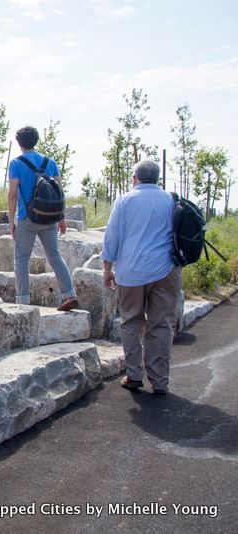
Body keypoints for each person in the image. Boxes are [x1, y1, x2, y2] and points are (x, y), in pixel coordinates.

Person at [101, 160, 180, 395]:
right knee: (161, 324)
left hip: (132, 272)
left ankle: (134, 375)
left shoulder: (125, 200)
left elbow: (112, 238)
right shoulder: (171, 200)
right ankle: (160, 381)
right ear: (158, 180)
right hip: (166, 270)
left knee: (131, 321)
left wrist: (107, 269)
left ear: (134, 178)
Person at [8, 125, 79, 312]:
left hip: (28, 218)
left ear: (19, 143)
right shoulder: (50, 162)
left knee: (22, 258)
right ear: (36, 141)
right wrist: (61, 218)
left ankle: (23, 303)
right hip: (50, 218)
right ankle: (69, 294)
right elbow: (60, 192)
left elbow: (13, 194)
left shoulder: (16, 164)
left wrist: (11, 222)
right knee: (54, 256)